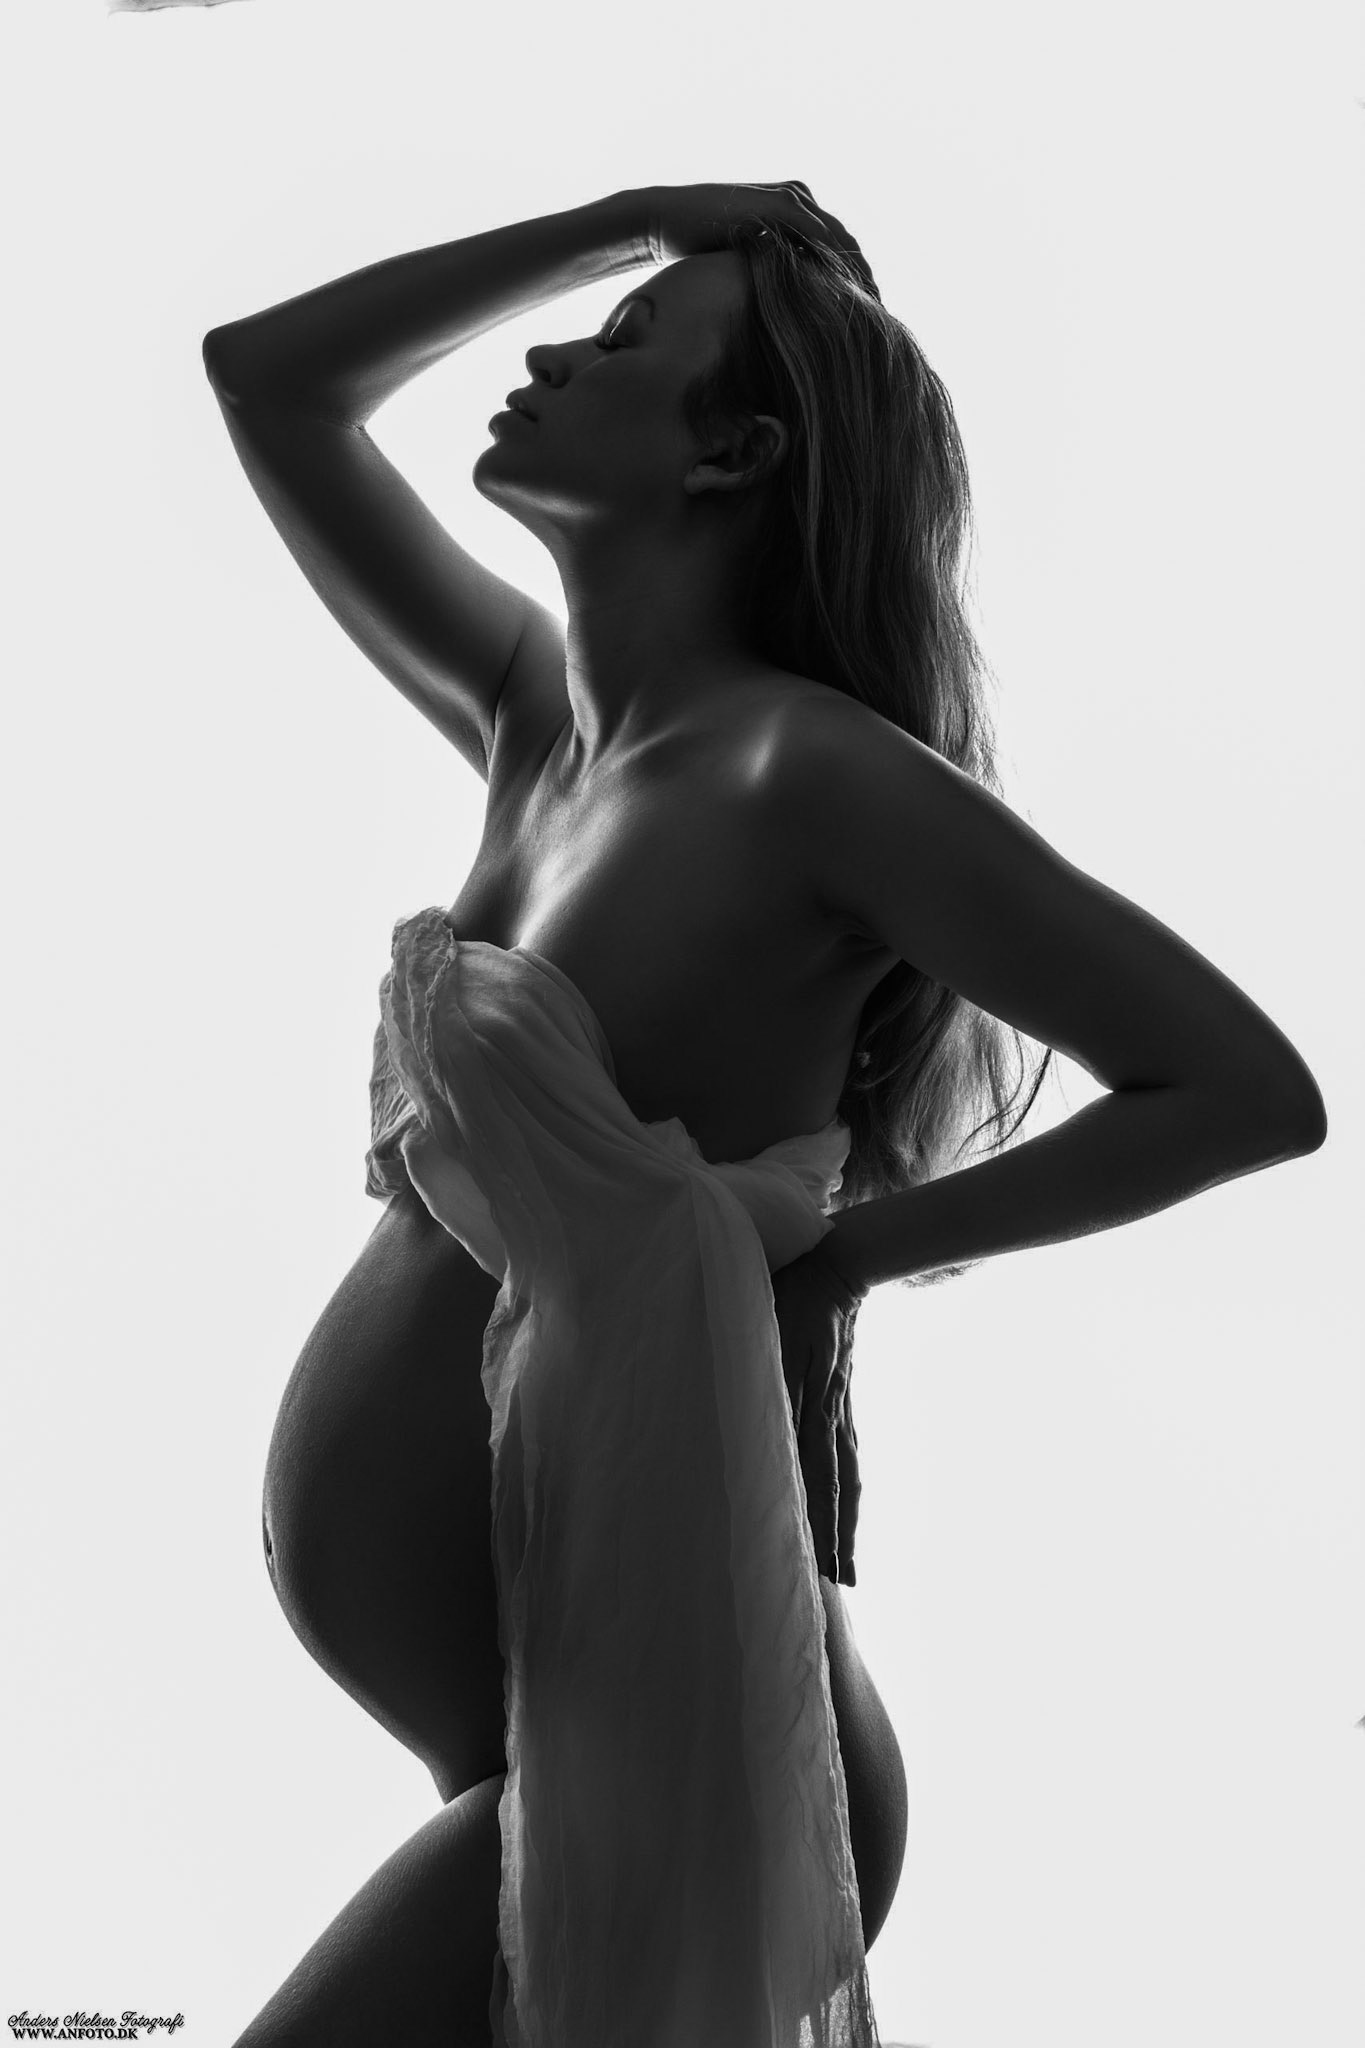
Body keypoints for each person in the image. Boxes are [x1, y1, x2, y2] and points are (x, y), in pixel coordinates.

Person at [202, 181, 1327, 2048]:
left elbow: (1239, 1090)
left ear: (731, 452)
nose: (551, 357)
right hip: (564, 1751)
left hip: (684, 1744)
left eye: (625, 341)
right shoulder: (536, 722)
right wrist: (639, 219)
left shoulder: (809, 772)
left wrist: (839, 1263)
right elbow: (269, 381)